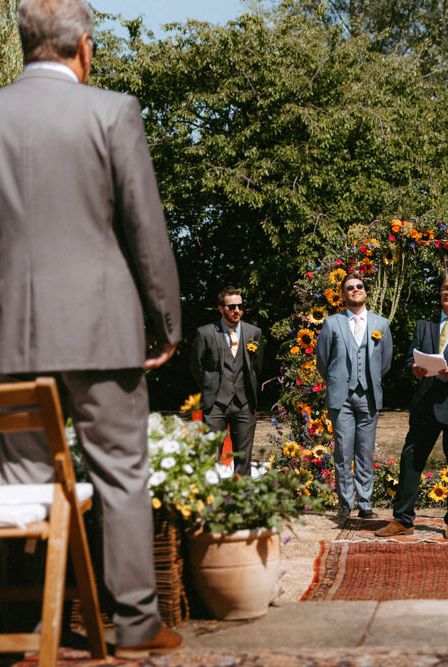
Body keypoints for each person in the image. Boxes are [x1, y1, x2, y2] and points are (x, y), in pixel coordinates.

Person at [0, 0, 182, 656]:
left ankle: (22, 627)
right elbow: (145, 228)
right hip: (101, 330)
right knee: (121, 471)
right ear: (84, 47)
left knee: (19, 480)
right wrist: (165, 322)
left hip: (7, 337)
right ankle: (135, 623)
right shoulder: (111, 110)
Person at [376, 271, 448, 539]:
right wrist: (414, 369)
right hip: (425, 404)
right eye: (444, 288)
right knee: (410, 461)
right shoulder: (424, 326)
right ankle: (403, 519)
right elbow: (408, 360)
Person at [316, 273, 393, 522]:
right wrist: (338, 381)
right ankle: (346, 503)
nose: (356, 290)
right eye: (350, 287)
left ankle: (366, 502)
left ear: (365, 291)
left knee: (365, 451)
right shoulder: (332, 323)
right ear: (343, 294)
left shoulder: (380, 324)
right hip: (342, 398)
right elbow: (322, 361)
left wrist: (369, 379)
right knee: (343, 452)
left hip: (369, 395)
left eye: (360, 286)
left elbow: (385, 362)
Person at [190, 287, 264, 475]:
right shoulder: (205, 333)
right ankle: (211, 502)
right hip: (215, 405)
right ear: (221, 309)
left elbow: (256, 367)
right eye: (231, 307)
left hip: (244, 404)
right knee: (210, 458)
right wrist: (210, 390)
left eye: (240, 306)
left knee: (243, 459)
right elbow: (196, 367)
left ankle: (243, 502)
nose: (237, 310)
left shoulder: (253, 333)